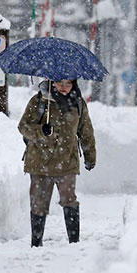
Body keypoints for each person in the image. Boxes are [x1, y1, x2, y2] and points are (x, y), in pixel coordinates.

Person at [18, 78, 96, 247]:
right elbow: (23, 126)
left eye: (68, 84)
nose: (63, 87)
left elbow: (86, 131)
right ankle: (36, 243)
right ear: (52, 83)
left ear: (73, 85)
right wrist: (40, 131)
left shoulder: (78, 104)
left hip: (67, 162)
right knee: (38, 204)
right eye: (60, 83)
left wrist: (90, 157)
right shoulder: (39, 101)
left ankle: (74, 242)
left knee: (70, 200)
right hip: (40, 163)